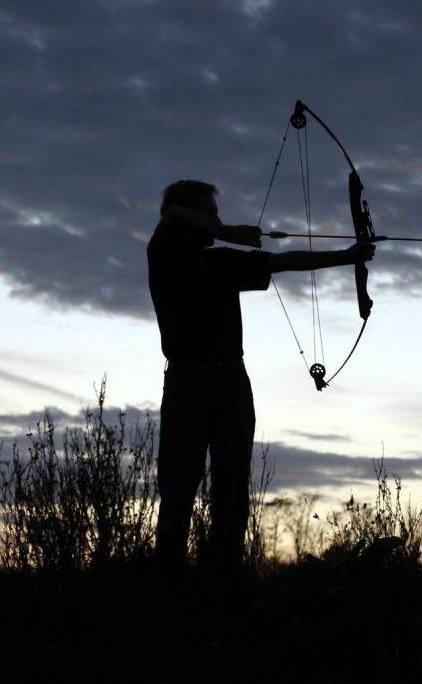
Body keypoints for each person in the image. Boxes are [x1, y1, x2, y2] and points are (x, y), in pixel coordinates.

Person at [146, 179, 374, 583]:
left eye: (216, 216)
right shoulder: (164, 255)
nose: (216, 220)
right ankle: (167, 587)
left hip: (232, 381)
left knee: (232, 491)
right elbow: (173, 216)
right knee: (178, 490)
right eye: (209, 214)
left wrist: (348, 256)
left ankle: (223, 583)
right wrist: (227, 231)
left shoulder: (219, 262)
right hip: (187, 384)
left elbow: (283, 261)